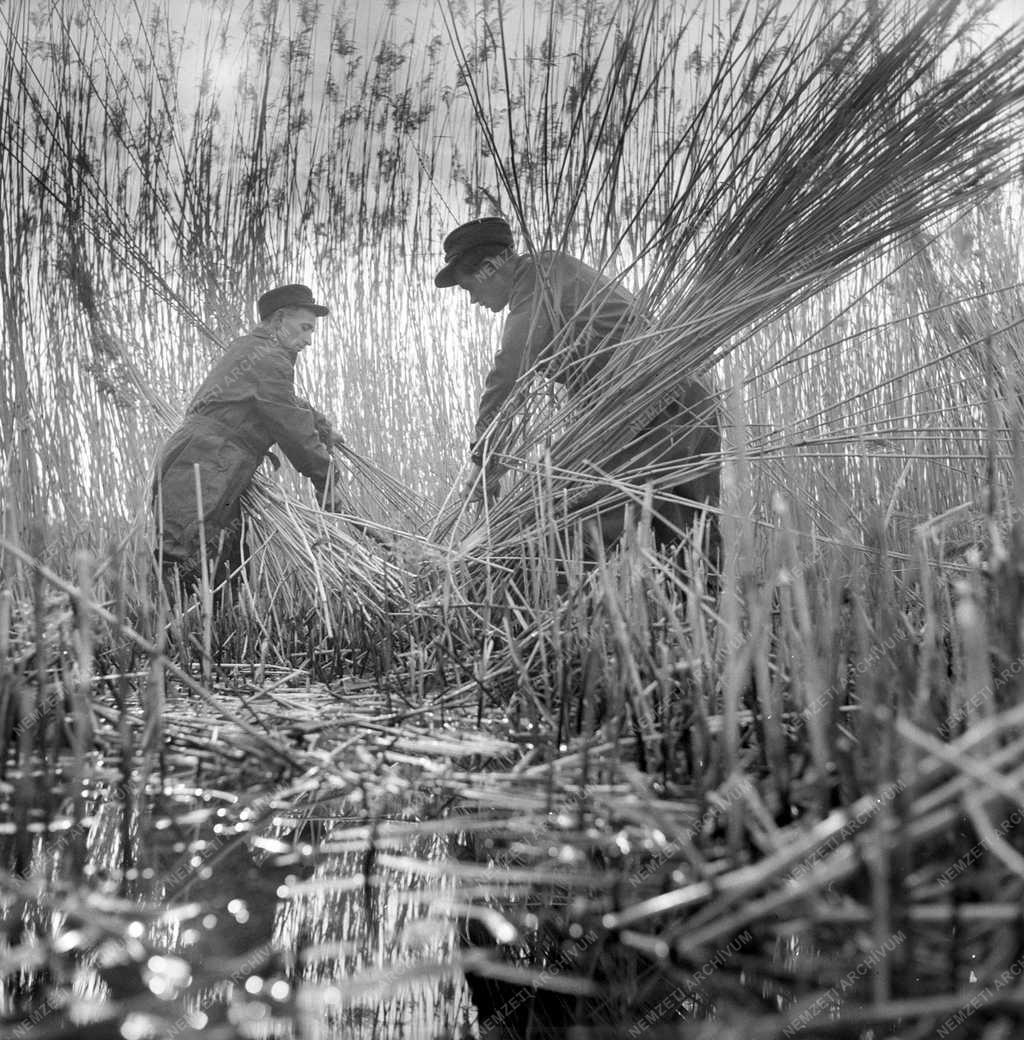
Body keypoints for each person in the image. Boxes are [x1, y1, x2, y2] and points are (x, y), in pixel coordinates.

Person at [434, 216, 720, 560]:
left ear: (490, 267)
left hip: (657, 406)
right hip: (682, 398)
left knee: (583, 530)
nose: (473, 301)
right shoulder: (551, 271)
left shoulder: (539, 278)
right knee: (688, 545)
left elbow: (510, 369)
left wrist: (483, 458)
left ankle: (529, 599)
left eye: (469, 288)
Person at [152, 283, 345, 593]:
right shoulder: (268, 357)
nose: (309, 340)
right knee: (189, 556)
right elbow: (291, 425)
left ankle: (220, 629)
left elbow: (287, 403)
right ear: (280, 319)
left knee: (227, 558)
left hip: (210, 459)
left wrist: (323, 427)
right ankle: (189, 634)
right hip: (204, 461)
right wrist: (326, 479)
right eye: (305, 327)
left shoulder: (253, 350)